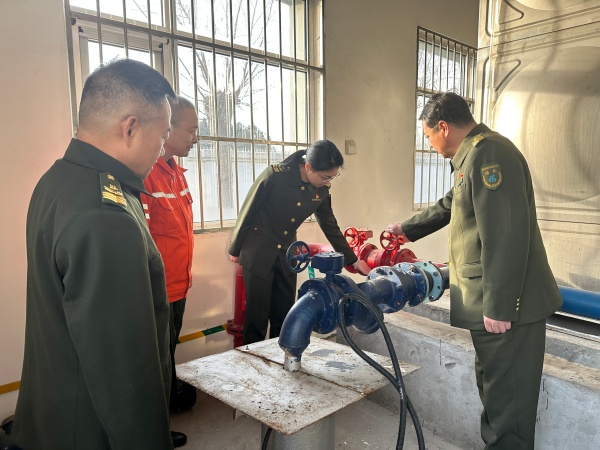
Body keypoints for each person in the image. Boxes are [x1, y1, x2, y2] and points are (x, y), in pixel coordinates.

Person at [8, 59, 178, 450]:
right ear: (130, 128)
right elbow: (124, 369)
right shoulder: (106, 215)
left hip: (53, 414)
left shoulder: (58, 180)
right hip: (90, 431)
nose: (163, 151)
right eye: (163, 136)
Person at [386, 92, 562, 450]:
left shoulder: (488, 154)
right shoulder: (472, 156)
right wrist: (406, 229)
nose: (430, 144)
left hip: (506, 310)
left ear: (443, 128)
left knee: (508, 408)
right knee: (495, 394)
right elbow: (451, 204)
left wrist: (499, 305)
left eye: (428, 136)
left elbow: (505, 234)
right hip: (488, 306)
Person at [228, 140, 371, 345]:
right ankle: (253, 359)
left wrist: (353, 260)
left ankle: (280, 357)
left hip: (288, 253)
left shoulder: (321, 190)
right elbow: (247, 211)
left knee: (284, 314)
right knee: (256, 317)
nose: (328, 181)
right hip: (258, 250)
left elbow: (330, 225)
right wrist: (235, 248)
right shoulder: (275, 176)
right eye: (325, 176)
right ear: (308, 167)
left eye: (332, 177)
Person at [143, 95, 197, 414]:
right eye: (191, 130)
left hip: (179, 286)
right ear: (168, 127)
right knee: (154, 361)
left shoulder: (176, 173)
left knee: (167, 356)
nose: (195, 139)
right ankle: (154, 426)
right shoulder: (146, 175)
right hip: (158, 290)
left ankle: (163, 417)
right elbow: (141, 242)